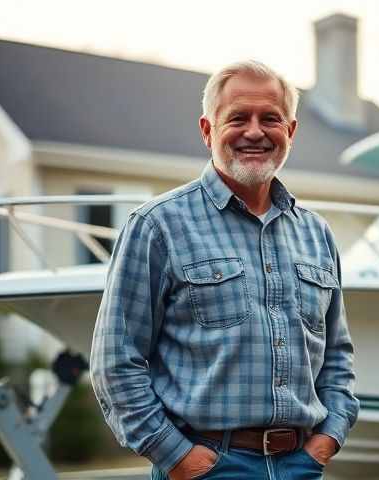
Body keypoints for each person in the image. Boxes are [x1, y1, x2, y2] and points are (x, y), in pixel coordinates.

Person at [90, 60, 359, 480]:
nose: (254, 131)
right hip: (207, 467)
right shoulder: (158, 226)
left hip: (300, 466)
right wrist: (177, 457)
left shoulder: (317, 233)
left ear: (289, 132)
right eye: (238, 118)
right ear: (207, 130)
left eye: (270, 118)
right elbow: (116, 362)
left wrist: (327, 440)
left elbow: (337, 355)